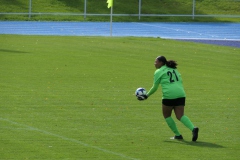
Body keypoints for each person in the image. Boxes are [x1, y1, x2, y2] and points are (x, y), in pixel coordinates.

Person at [137, 56, 199, 141]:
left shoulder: (158, 71)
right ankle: (193, 128)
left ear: (161, 63)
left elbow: (155, 87)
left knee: (167, 115)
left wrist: (146, 95)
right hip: (181, 94)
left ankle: (178, 135)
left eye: (156, 61)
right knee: (180, 115)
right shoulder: (174, 69)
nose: (154, 63)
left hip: (169, 95)